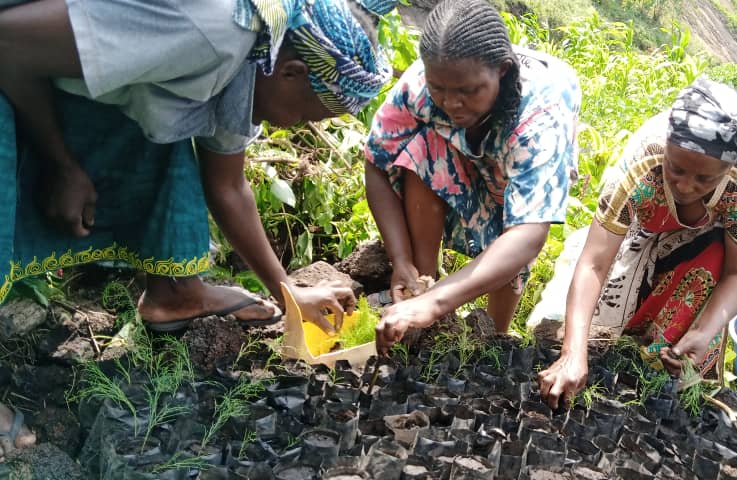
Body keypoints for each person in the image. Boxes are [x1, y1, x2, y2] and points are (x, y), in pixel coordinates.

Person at [0, 0, 396, 458]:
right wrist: (60, 164)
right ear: (290, 73)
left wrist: (290, 293)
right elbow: (7, 40)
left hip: (48, 63)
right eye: (306, 116)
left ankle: (175, 294)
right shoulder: (212, 30)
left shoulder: (253, 62)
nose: (292, 126)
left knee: (168, 125)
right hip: (13, 49)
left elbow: (227, 187)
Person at [538, 78, 737, 408]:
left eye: (704, 178)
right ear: (665, 147)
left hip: (706, 254)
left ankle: (661, 376)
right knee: (589, 337)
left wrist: (705, 331)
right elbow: (595, 260)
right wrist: (573, 351)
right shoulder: (645, 158)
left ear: (729, 168)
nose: (685, 185)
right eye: (676, 169)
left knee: (705, 277)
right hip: (642, 232)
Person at [367, 0, 581, 354]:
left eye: (468, 92)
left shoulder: (539, 119)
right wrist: (400, 259)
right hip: (463, 145)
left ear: (502, 70)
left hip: (518, 151)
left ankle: (493, 335)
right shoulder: (421, 85)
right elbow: (377, 160)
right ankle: (421, 283)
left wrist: (437, 303)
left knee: (507, 233)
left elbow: (527, 233)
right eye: (441, 90)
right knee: (423, 150)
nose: (452, 103)